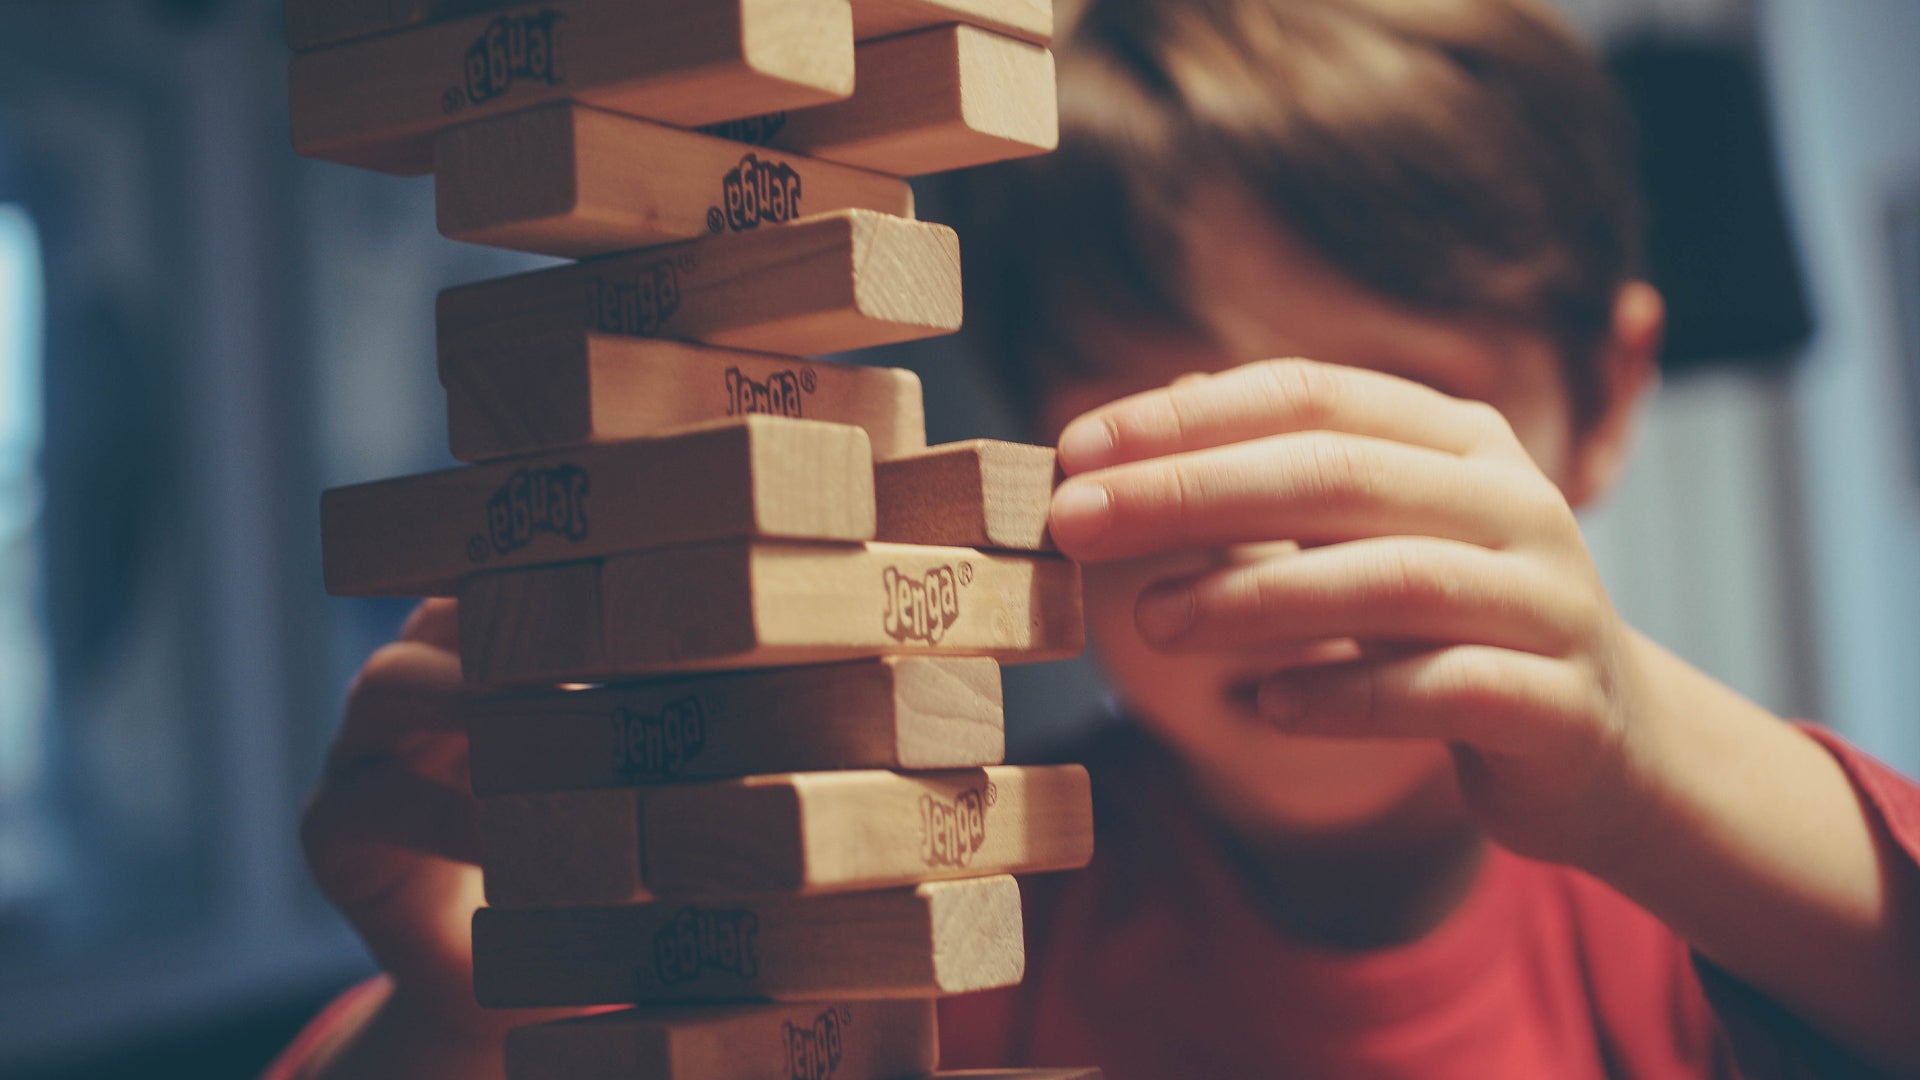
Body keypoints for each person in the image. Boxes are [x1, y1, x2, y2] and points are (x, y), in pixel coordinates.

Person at [269, 0, 1920, 1076]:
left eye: (1378, 434)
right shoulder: (952, 900)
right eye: (1171, 431)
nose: (1284, 560)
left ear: (1608, 398)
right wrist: (477, 1008)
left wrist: (1637, 755)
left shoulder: (1702, 914)